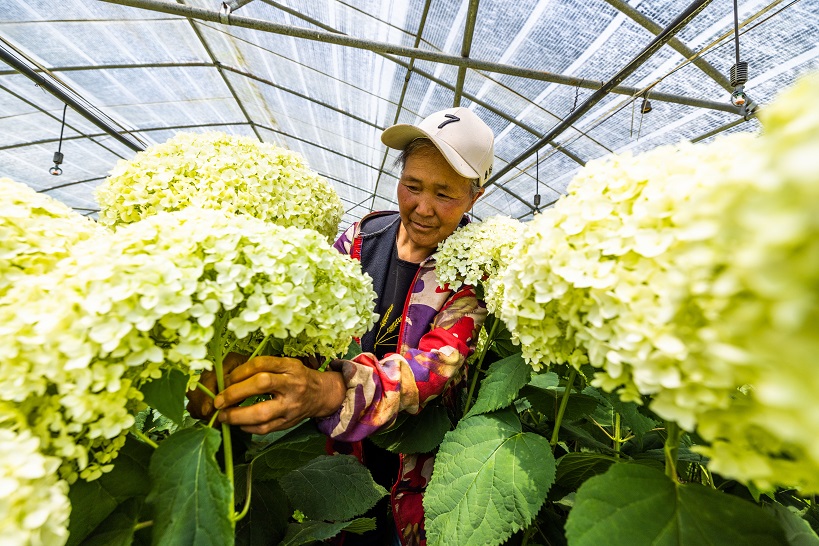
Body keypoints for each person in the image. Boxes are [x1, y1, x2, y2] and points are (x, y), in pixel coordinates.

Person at [189, 106, 494, 546]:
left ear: (474, 197)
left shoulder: (471, 272)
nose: (422, 207)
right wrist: (244, 366)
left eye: (445, 194)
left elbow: (432, 370)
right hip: (334, 465)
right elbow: (307, 331)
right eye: (412, 186)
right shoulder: (358, 239)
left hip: (411, 481)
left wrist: (324, 391)